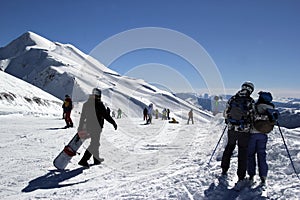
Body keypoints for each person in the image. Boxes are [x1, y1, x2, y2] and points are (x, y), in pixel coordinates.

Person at [221, 81, 255, 190]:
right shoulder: (250, 101)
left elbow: (225, 113)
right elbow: (253, 116)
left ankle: (224, 169)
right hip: (244, 131)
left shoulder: (232, 99)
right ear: (250, 90)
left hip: (231, 129)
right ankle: (241, 176)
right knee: (242, 151)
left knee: (229, 147)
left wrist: (229, 121)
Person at [77, 88, 117, 168]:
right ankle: (84, 160)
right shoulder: (99, 104)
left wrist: (80, 127)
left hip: (88, 126)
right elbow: (106, 115)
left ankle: (96, 159)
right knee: (94, 144)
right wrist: (113, 123)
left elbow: (82, 117)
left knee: (95, 143)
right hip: (96, 127)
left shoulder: (86, 104)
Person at [247, 91, 276, 186]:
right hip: (263, 135)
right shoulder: (271, 108)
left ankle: (251, 175)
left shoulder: (256, 106)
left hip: (252, 134)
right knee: (261, 155)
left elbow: (249, 117)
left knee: (250, 155)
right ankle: (263, 177)